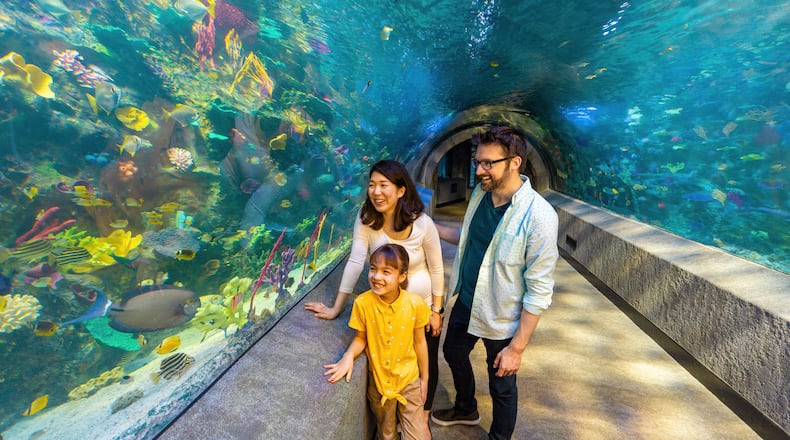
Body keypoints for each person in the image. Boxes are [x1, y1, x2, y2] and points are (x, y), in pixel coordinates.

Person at [430, 126, 559, 440]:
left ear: (515, 162)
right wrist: (428, 226)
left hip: (503, 316)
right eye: (478, 162)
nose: (479, 170)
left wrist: (517, 348)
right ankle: (466, 407)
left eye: (488, 163)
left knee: (501, 382)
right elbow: (469, 238)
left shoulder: (539, 216)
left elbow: (539, 290)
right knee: (453, 352)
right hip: (467, 301)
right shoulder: (480, 194)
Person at [305, 159, 444, 436]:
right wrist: (336, 308)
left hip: (421, 307)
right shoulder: (367, 219)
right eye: (371, 185)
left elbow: (437, 268)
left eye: (383, 185)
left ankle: (422, 415)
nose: (376, 192)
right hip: (383, 308)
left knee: (424, 357)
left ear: (401, 190)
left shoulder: (422, 224)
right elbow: (356, 260)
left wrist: (436, 310)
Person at [323, 243, 431, 440]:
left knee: (416, 435)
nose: (376, 276)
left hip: (409, 379)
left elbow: (420, 343)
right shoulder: (362, 303)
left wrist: (424, 379)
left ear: (402, 276)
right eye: (373, 269)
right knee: (386, 433)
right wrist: (348, 356)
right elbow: (360, 338)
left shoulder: (415, 304)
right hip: (379, 383)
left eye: (386, 272)